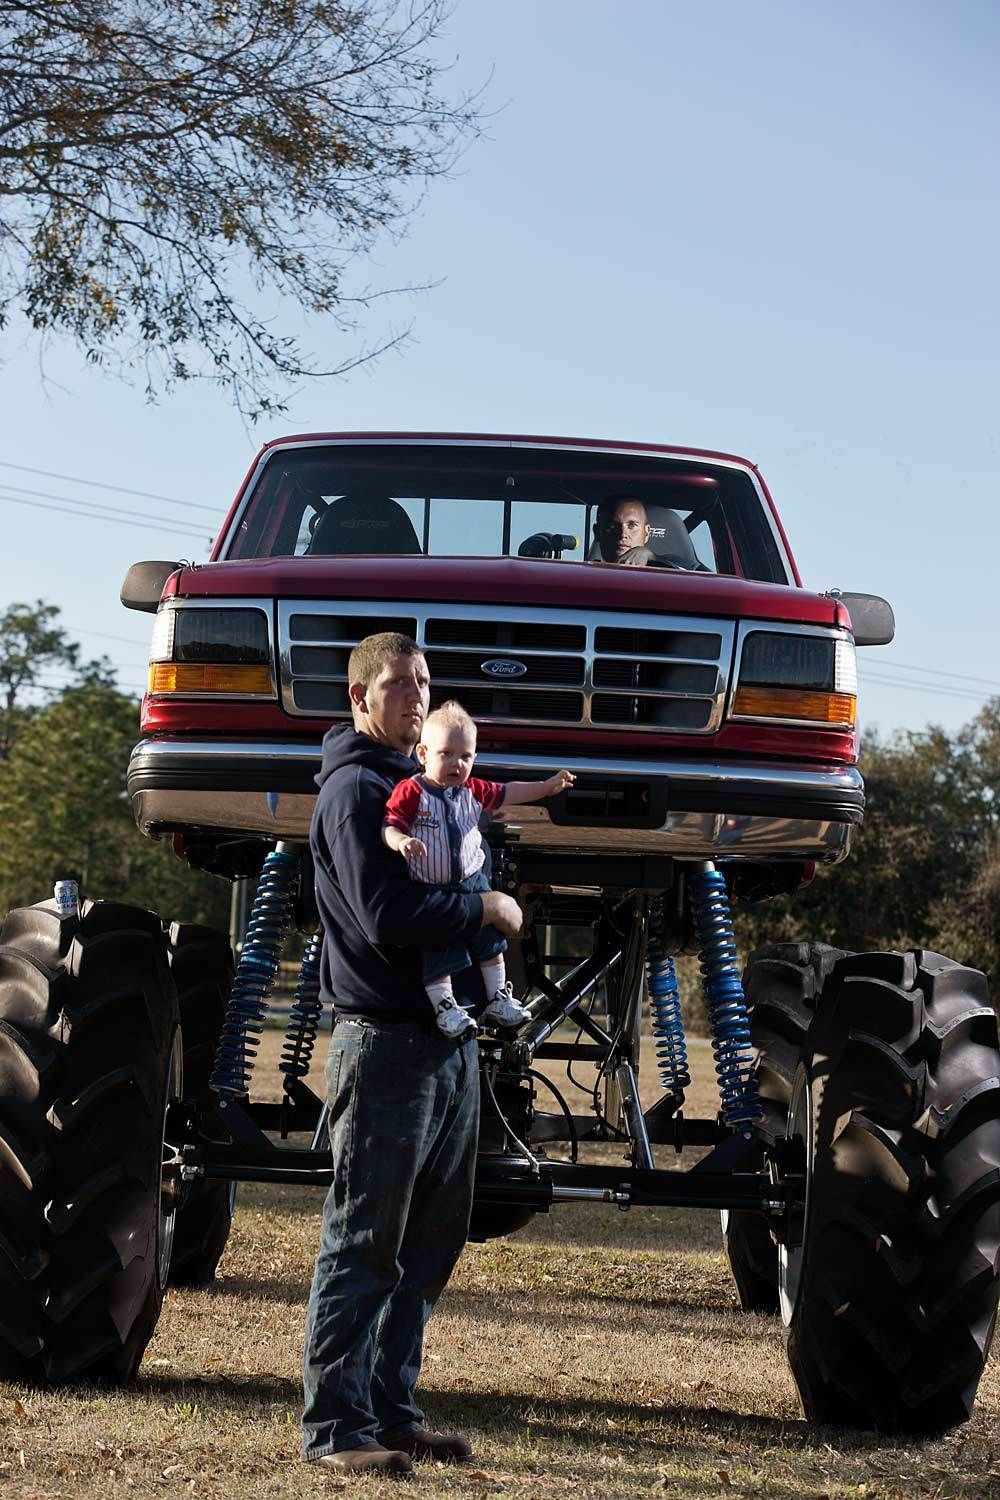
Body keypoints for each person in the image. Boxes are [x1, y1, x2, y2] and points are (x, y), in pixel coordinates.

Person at [301, 632, 523, 1477]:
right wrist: (485, 910)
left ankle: (391, 1413)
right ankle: (335, 1429)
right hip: (385, 1043)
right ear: (359, 698)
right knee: (365, 1240)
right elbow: (386, 916)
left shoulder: (425, 784)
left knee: (428, 1245)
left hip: (445, 1041)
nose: (417, 695)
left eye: (424, 681)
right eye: (399, 683)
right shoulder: (357, 792)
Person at [382, 699, 574, 1039]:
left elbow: (510, 792)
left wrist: (547, 787)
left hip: (473, 882)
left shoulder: (474, 790)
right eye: (446, 754)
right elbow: (390, 824)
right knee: (439, 949)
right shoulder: (411, 791)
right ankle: (445, 1007)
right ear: (423, 754)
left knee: (491, 942)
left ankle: (498, 998)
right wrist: (401, 842)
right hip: (432, 889)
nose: (456, 763)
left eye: (465, 756)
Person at [593, 494, 654, 565]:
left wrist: (652, 557)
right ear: (597, 532)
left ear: (647, 533)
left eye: (632, 525)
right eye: (612, 526)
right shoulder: (583, 571)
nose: (623, 534)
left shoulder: (664, 571)